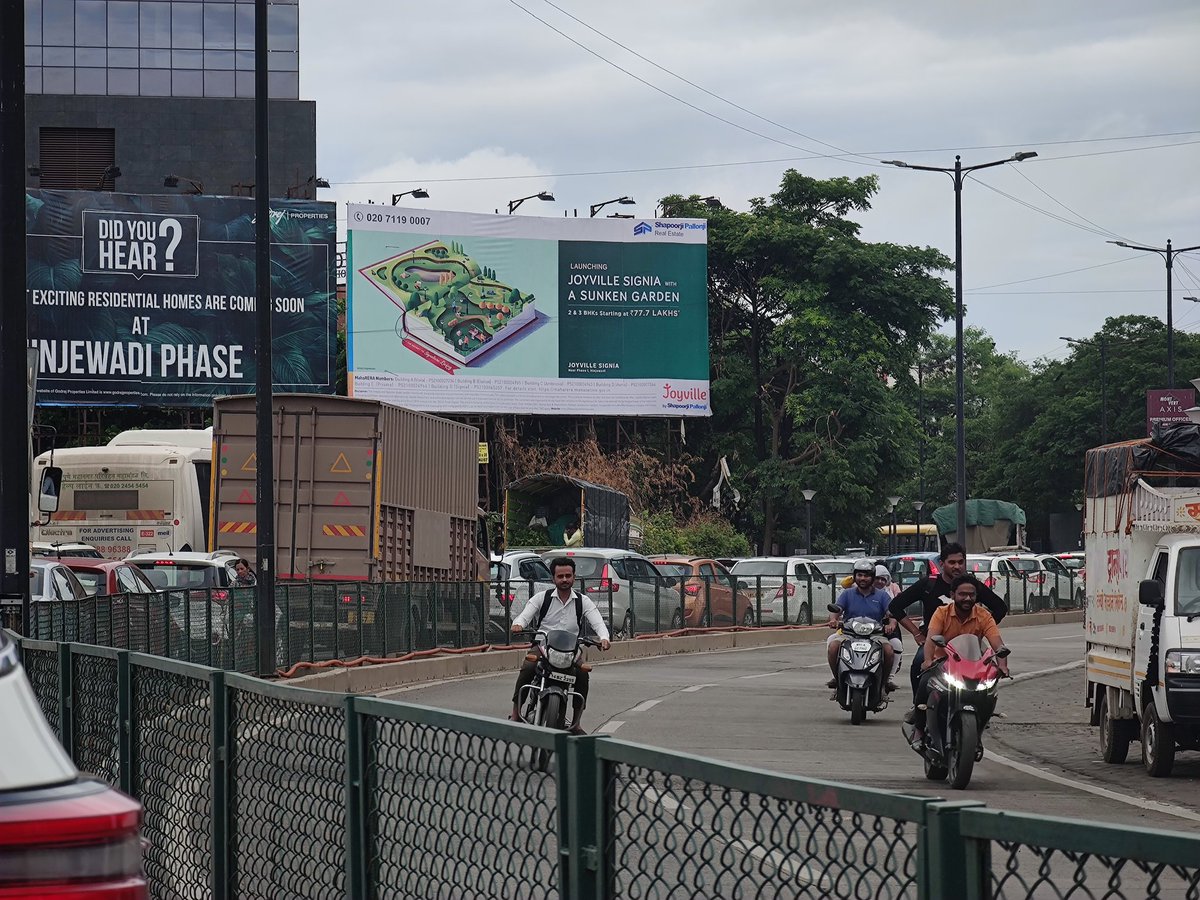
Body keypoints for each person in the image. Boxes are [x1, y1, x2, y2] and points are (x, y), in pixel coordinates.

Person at [888, 543, 1007, 701]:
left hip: (968, 645)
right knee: (919, 662)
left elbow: (1000, 608)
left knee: (987, 671)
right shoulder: (928, 585)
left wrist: (980, 631)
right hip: (935, 641)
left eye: (960, 562)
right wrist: (917, 633)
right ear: (942, 564)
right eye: (952, 562)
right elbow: (895, 606)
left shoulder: (972, 587)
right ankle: (919, 707)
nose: (957, 566)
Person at [509, 556, 611, 734]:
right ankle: (516, 714)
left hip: (571, 652)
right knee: (528, 667)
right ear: (553, 578)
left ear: (574, 576)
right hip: (543, 647)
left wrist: (604, 638)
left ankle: (576, 722)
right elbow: (525, 615)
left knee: (582, 676)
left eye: (568, 576)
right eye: (560, 576)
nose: (564, 579)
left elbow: (598, 622)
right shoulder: (542, 598)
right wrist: (518, 624)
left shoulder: (583, 601)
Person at [905, 576, 1009, 744]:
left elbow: (997, 644)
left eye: (971, 595)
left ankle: (982, 721)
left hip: (972, 665)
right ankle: (919, 726)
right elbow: (931, 640)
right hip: (943, 664)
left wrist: (1002, 666)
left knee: (989, 689)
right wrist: (927, 661)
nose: (967, 598)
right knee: (924, 682)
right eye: (962, 594)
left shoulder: (984, 616)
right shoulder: (941, 613)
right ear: (953, 595)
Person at [826, 558, 896, 693]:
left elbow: (891, 614)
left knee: (888, 650)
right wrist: (833, 620)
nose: (863, 578)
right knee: (833, 647)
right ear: (855, 576)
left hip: (875, 635)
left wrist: (891, 624)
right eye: (859, 575)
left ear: (872, 577)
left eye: (866, 575)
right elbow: (837, 609)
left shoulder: (882, 596)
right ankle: (838, 679)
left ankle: (883, 683)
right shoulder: (847, 594)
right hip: (849, 634)